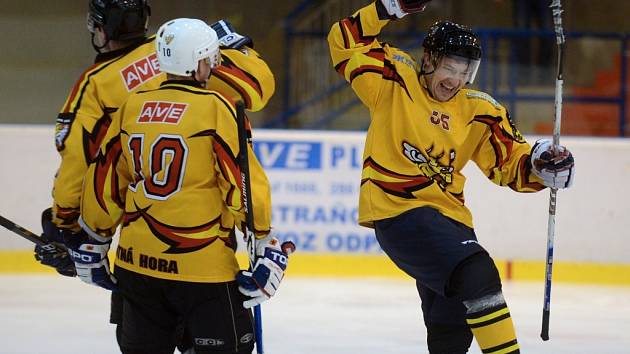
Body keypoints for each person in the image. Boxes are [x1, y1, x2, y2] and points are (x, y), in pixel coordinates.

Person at [328, 1, 575, 353]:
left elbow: (511, 164)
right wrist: (389, 6)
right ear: (428, 59)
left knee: (453, 323)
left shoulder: (479, 108)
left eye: (465, 71)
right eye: (450, 67)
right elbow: (343, 42)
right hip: (398, 212)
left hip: (452, 220)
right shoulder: (393, 80)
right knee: (478, 274)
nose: (455, 80)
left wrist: (544, 164)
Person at [34, 0, 276, 352]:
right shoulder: (203, 64)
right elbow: (257, 94)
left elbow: (90, 168)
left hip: (137, 262)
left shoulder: (119, 92)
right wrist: (264, 242)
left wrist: (75, 229)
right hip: (204, 262)